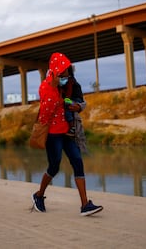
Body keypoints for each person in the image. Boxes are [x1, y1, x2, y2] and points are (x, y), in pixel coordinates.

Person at [32, 52, 103, 216]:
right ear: (55, 72)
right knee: (54, 166)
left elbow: (79, 100)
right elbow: (45, 114)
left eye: (68, 73)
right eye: (63, 74)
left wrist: (76, 107)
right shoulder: (46, 87)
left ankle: (85, 205)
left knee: (77, 161)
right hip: (52, 134)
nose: (67, 77)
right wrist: (54, 92)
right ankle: (38, 195)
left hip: (68, 131)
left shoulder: (70, 82)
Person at [62, 65, 84, 137]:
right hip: (76, 99)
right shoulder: (71, 79)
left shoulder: (70, 80)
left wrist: (65, 99)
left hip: (75, 100)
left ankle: (72, 127)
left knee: (66, 104)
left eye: (64, 70)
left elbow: (68, 95)